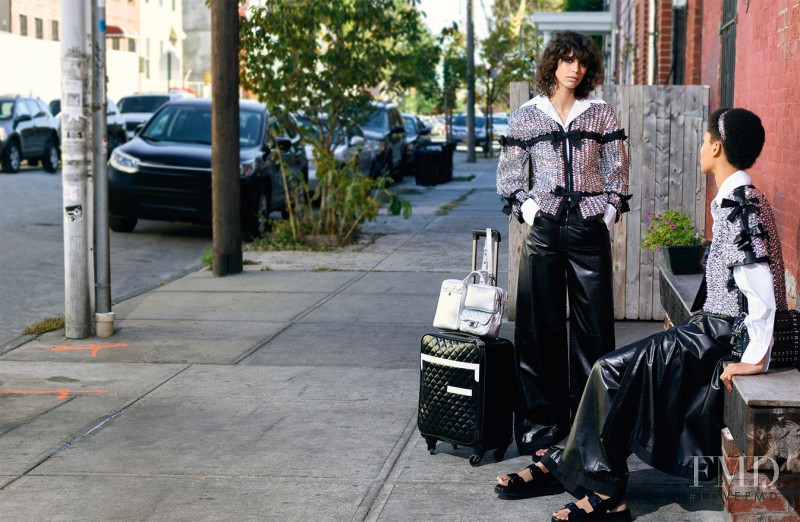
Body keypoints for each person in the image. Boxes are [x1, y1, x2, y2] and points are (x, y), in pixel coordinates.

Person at [495, 107, 785, 522]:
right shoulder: (735, 200)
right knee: (614, 372)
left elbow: (763, 294)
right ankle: (570, 467)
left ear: (717, 147)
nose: (701, 147)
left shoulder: (741, 206)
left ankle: (606, 495)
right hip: (708, 329)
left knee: (609, 372)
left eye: (704, 141)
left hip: (718, 337)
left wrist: (754, 359)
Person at [496, 31, 631, 457]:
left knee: (593, 333)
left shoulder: (600, 115)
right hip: (546, 229)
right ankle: (541, 427)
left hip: (588, 231)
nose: (576, 68)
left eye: (583, 62)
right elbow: (510, 178)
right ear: (552, 63)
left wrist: (607, 215)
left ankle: (591, 428)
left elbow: (618, 172)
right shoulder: (526, 117)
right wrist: (532, 211)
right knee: (538, 331)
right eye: (568, 60)